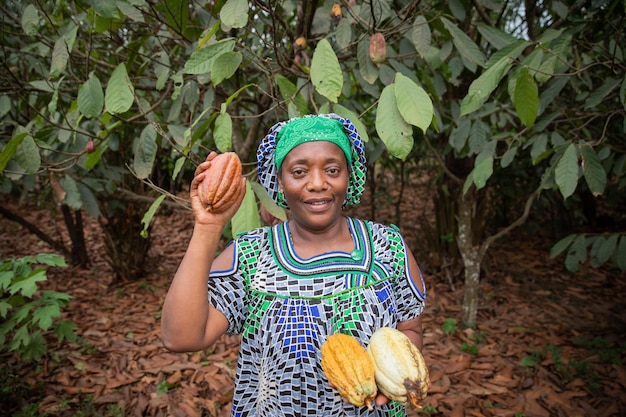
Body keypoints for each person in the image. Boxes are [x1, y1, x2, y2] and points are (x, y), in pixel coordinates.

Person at [161, 113, 427, 417]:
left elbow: (410, 329)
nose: (317, 183)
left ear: (349, 176)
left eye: (332, 169)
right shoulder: (252, 255)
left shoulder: (387, 247)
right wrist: (207, 226)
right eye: (299, 171)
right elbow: (180, 337)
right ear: (279, 182)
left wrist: (394, 377)